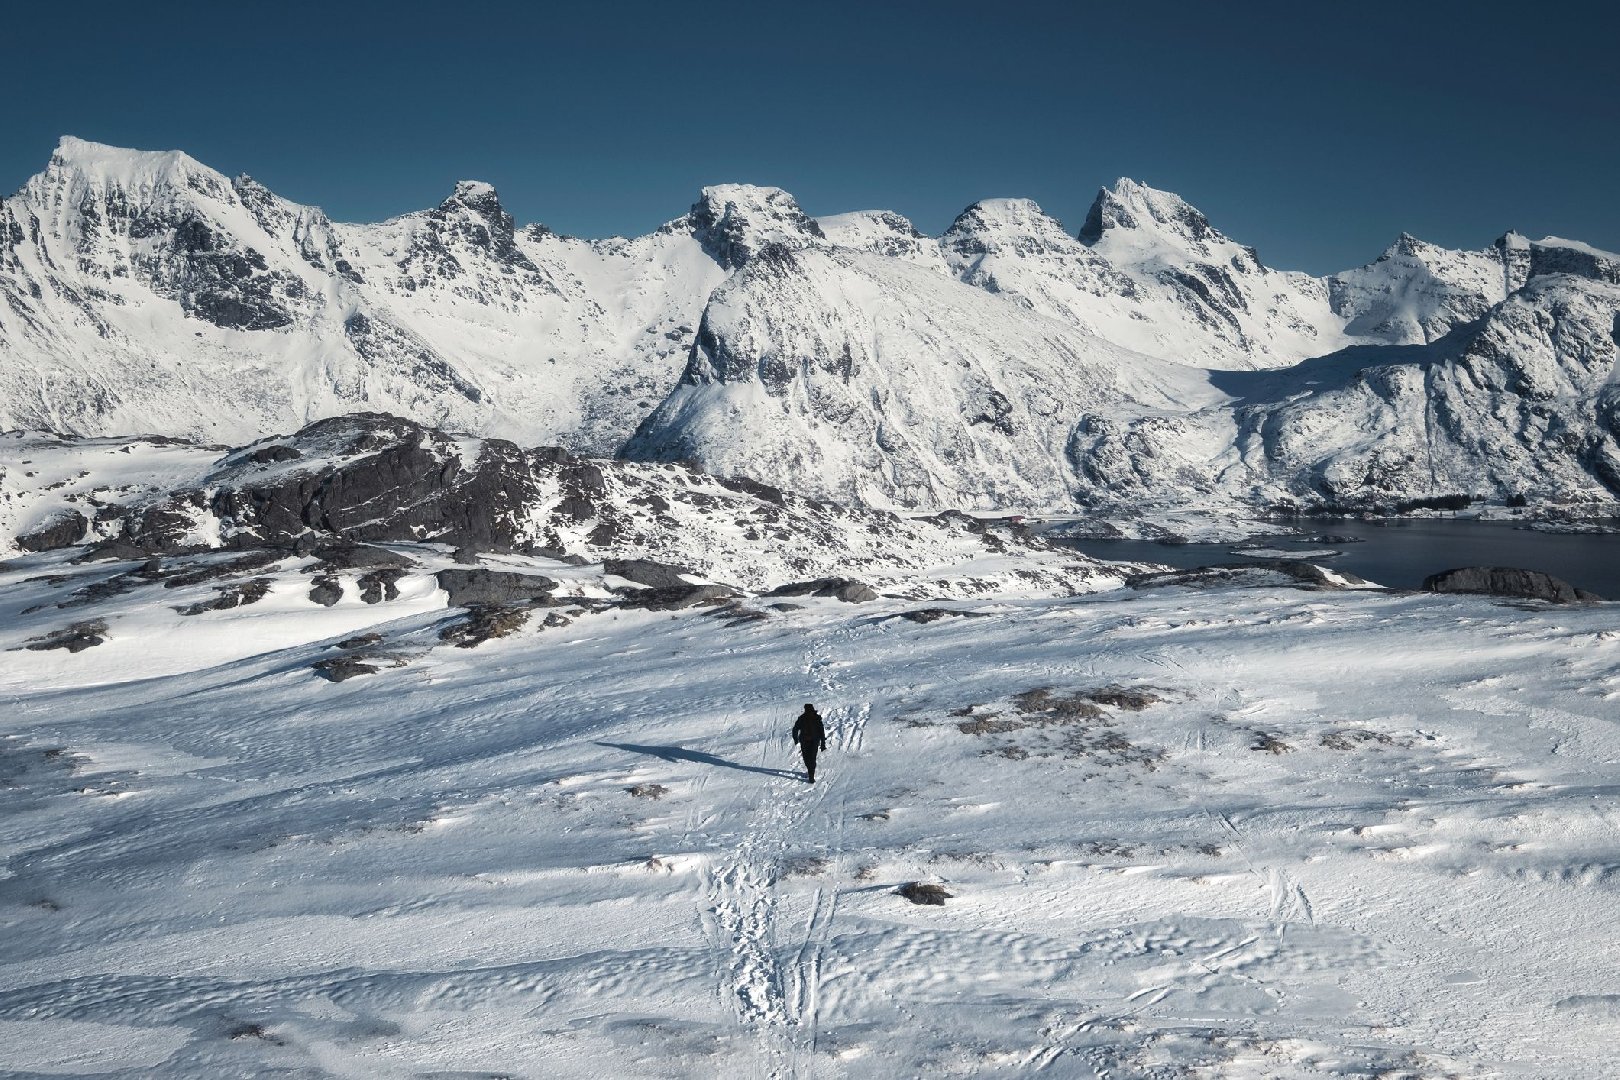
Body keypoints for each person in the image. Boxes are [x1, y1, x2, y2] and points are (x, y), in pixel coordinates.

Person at [791, 704, 827, 783]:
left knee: (806, 758)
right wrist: (823, 743)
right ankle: (811, 774)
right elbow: (821, 732)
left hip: (805, 741)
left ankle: (810, 773)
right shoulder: (816, 718)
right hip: (814, 741)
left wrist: (796, 739)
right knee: (812, 758)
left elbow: (795, 729)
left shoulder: (802, 718)